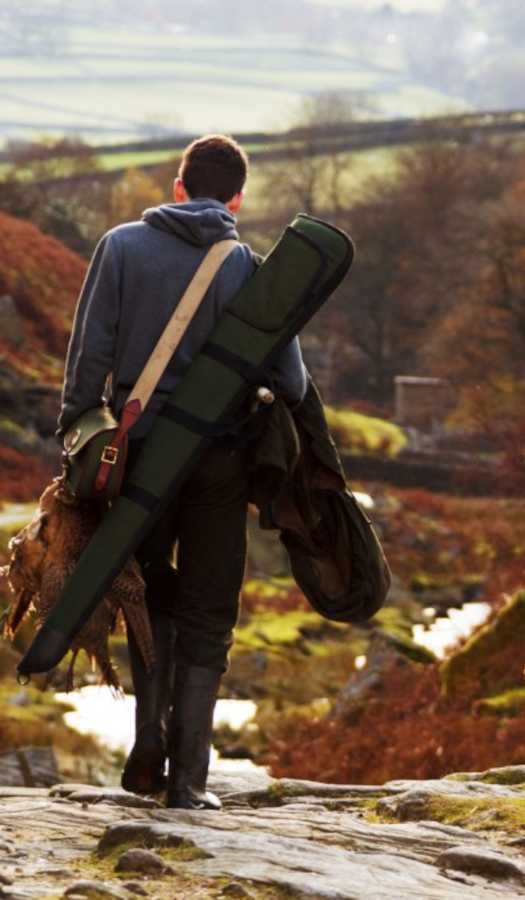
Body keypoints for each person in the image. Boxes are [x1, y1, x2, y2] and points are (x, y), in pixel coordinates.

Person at [58, 134, 308, 810]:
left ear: (176, 188)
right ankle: (189, 782)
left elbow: (87, 365)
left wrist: (80, 446)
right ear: (237, 200)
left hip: (137, 457)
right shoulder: (252, 269)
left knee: (146, 598)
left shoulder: (118, 247)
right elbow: (290, 379)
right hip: (220, 462)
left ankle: (147, 750)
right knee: (207, 612)